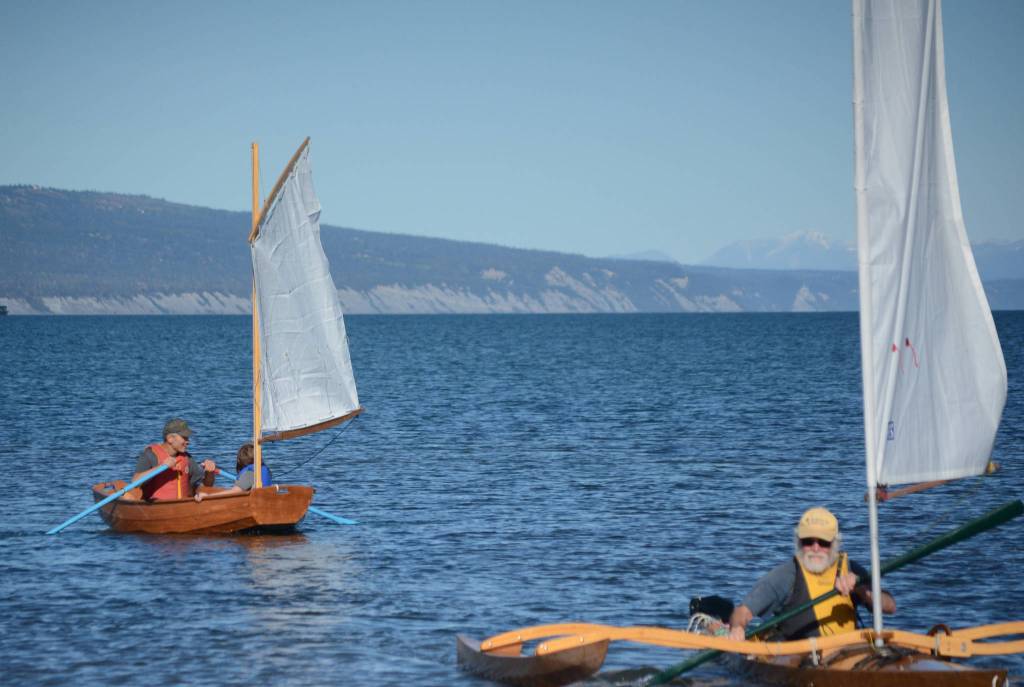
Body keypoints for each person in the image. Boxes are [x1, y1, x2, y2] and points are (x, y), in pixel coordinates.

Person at [728, 507, 895, 641]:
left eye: (823, 542)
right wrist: (737, 628)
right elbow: (742, 612)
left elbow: (890, 607)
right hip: (801, 657)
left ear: (835, 543)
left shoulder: (851, 570)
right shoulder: (785, 576)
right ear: (798, 542)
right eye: (808, 541)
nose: (815, 548)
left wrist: (862, 590)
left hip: (848, 651)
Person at [132, 418, 217, 501]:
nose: (188, 441)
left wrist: (209, 473)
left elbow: (207, 485)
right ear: (170, 438)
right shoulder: (150, 455)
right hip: (155, 506)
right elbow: (135, 482)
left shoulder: (187, 458)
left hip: (182, 505)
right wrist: (161, 466)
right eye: (184, 437)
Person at [194, 442, 272, 502]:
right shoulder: (262, 470)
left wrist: (208, 496)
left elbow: (235, 491)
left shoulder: (250, 473)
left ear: (240, 461)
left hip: (256, 505)